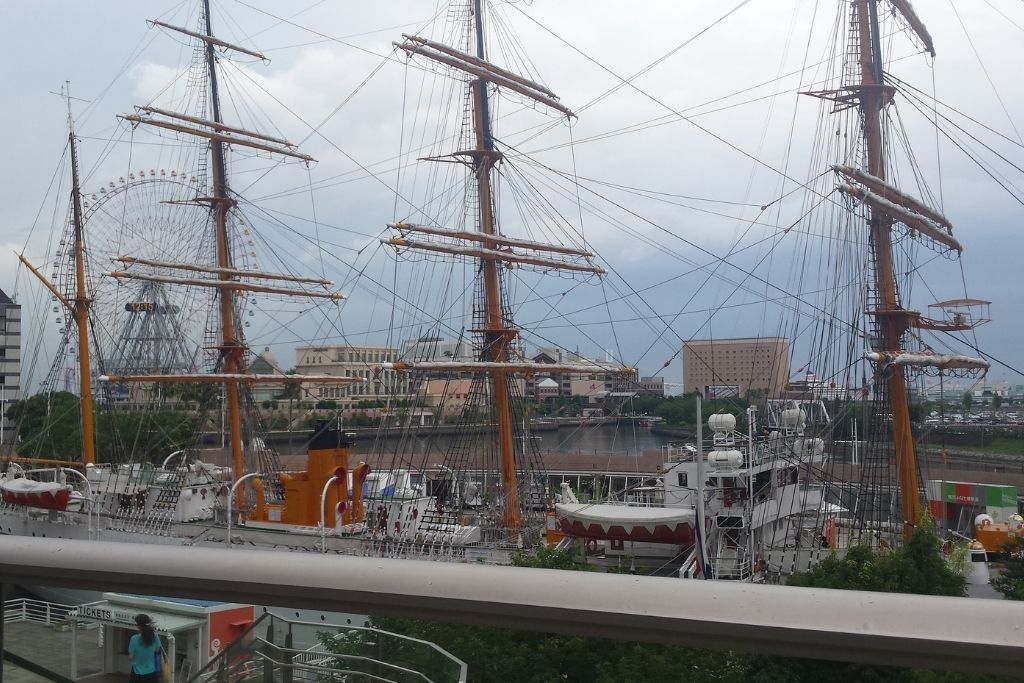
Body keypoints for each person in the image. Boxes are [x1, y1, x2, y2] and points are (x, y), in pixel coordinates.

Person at [128, 613, 162, 682]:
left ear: (139, 626)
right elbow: (157, 650)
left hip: (137, 673)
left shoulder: (134, 639)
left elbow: (131, 657)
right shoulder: (155, 637)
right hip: (151, 672)